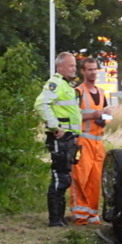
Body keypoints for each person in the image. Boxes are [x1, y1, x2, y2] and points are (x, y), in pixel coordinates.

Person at [35, 52, 82, 226]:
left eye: (75, 66)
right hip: (60, 137)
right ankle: (55, 220)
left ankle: (60, 219)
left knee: (64, 177)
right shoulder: (56, 83)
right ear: (60, 67)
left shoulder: (67, 86)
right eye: (71, 66)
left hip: (68, 138)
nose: (74, 69)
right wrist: (55, 126)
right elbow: (40, 104)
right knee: (60, 177)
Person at [70, 57, 110, 225]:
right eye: (89, 69)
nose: (93, 72)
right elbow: (72, 116)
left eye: (95, 69)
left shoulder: (101, 93)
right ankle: (79, 214)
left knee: (95, 179)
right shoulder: (77, 92)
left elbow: (106, 114)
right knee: (80, 177)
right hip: (82, 140)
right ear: (83, 71)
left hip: (98, 142)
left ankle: (92, 214)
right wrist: (93, 115)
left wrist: (105, 118)